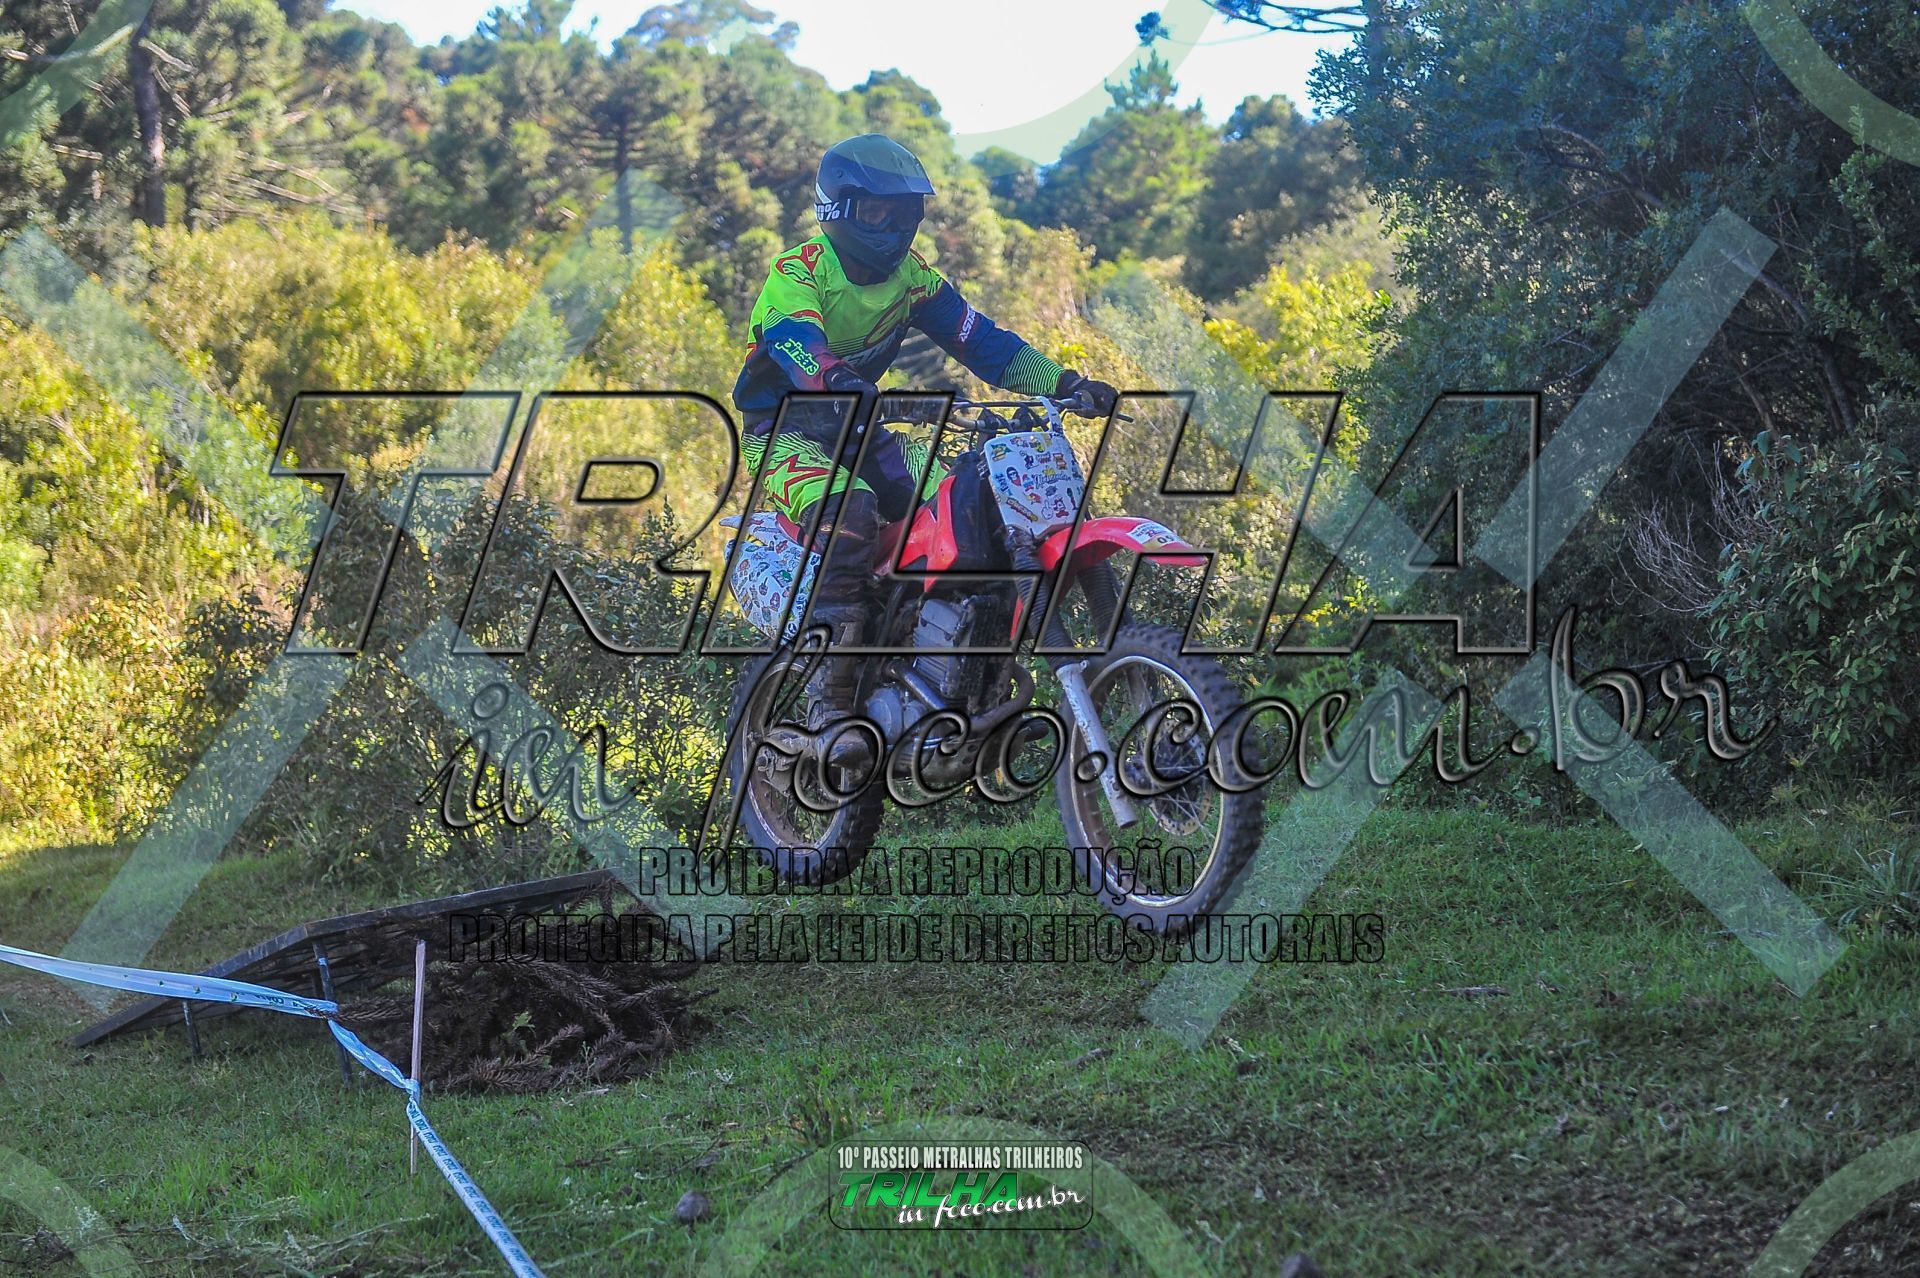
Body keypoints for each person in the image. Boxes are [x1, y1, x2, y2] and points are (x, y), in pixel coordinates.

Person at [731, 133, 1117, 760]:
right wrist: (836, 378)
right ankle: (830, 704)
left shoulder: (913, 279)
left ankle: (954, 674)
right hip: (785, 432)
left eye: (905, 213)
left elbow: (982, 342)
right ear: (840, 210)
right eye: (878, 212)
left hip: (863, 428)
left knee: (960, 506)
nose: (893, 227)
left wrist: (1066, 383)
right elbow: (797, 341)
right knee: (850, 513)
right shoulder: (798, 271)